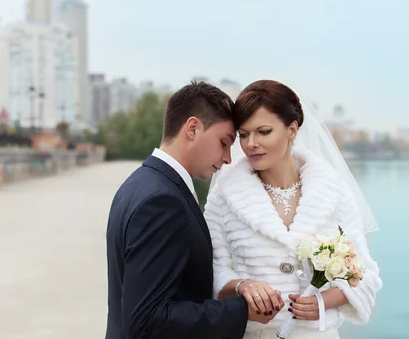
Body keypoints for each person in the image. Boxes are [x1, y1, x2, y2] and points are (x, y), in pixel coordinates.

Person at [204, 80, 382, 338]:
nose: (251, 143)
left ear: (292, 130)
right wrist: (244, 286)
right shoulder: (225, 195)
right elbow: (213, 272)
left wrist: (323, 302)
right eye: (243, 135)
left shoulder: (332, 191)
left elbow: (364, 274)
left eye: (263, 131)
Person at [105, 81, 282, 339]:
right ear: (192, 128)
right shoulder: (163, 202)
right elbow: (146, 321)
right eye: (224, 142)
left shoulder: (138, 183)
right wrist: (241, 310)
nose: (228, 158)